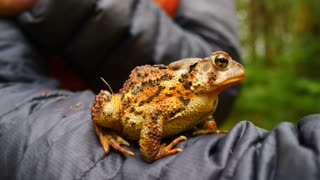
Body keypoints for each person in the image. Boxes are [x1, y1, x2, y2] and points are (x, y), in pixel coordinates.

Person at [0, 0, 319, 179]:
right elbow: (153, 114)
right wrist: (152, 153)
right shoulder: (180, 93)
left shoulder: (203, 100)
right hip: (125, 109)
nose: (229, 68)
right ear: (203, 71)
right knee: (107, 109)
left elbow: (207, 111)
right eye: (221, 62)